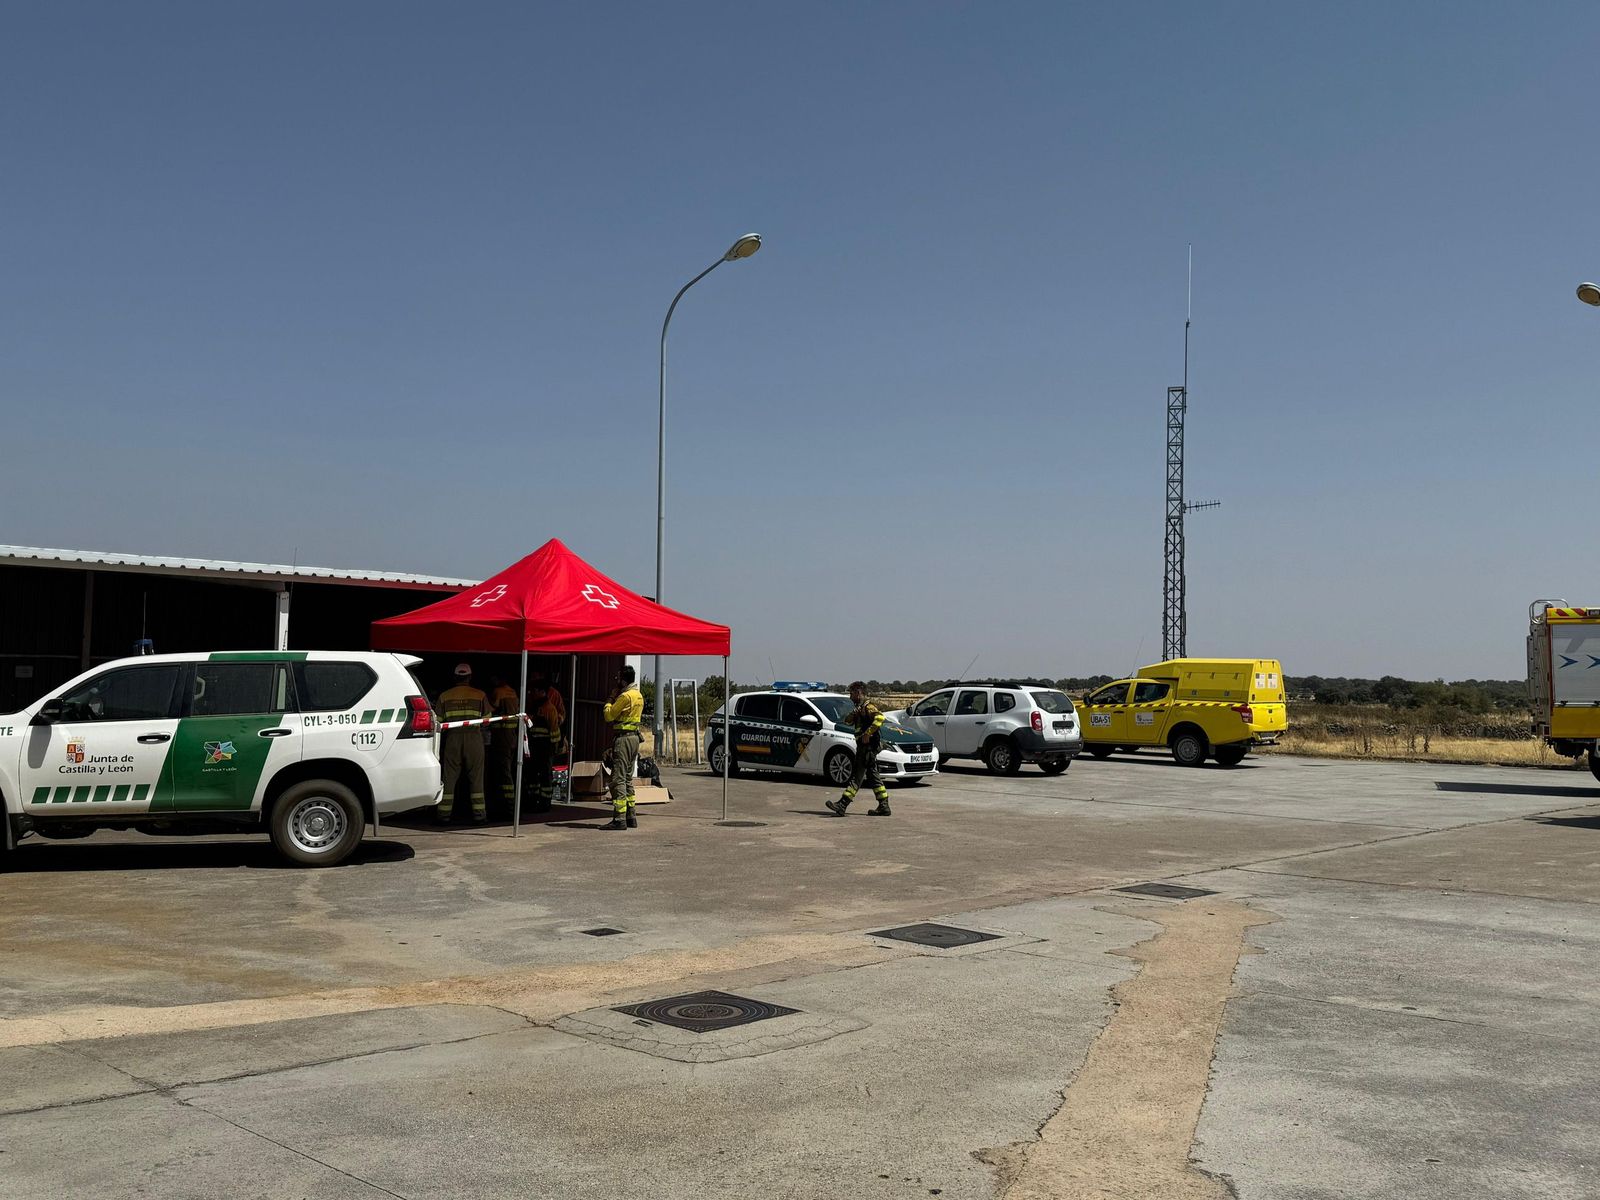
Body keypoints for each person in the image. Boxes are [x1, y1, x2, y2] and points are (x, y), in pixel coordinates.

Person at [826, 681, 892, 817]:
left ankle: (842, 805)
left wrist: (868, 733)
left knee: (857, 776)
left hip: (867, 748)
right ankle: (884, 806)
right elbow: (847, 721)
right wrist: (854, 714)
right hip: (864, 748)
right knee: (873, 777)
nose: (850, 697)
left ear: (858, 693)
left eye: (851, 694)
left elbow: (880, 717)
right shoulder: (859, 708)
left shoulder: (868, 707)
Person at [438, 662, 491, 824]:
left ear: (455, 677)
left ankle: (443, 816)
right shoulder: (480, 695)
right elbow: (487, 719)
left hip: (453, 739)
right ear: (469, 677)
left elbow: (439, 724)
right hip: (474, 739)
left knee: (449, 779)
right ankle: (479, 816)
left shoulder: (444, 696)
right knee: (476, 779)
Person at [601, 665, 643, 830]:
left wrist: (610, 699)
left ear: (623, 679)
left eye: (618, 678)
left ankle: (619, 819)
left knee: (617, 779)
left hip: (624, 739)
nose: (617, 681)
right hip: (634, 738)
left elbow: (608, 715)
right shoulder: (638, 695)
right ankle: (631, 816)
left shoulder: (625, 696)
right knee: (627, 778)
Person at [525, 670, 567, 811]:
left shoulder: (549, 709)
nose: (533, 693)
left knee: (545, 775)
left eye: (535, 690)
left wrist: (554, 748)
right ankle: (532, 800)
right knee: (532, 775)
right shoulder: (534, 706)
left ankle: (545, 802)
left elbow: (554, 731)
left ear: (541, 691)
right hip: (534, 746)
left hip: (545, 747)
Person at [488, 675, 520, 814]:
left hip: (501, 736)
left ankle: (508, 804)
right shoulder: (513, 692)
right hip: (512, 736)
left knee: (504, 770)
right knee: (508, 768)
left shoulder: (498, 692)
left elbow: (491, 709)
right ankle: (510, 802)